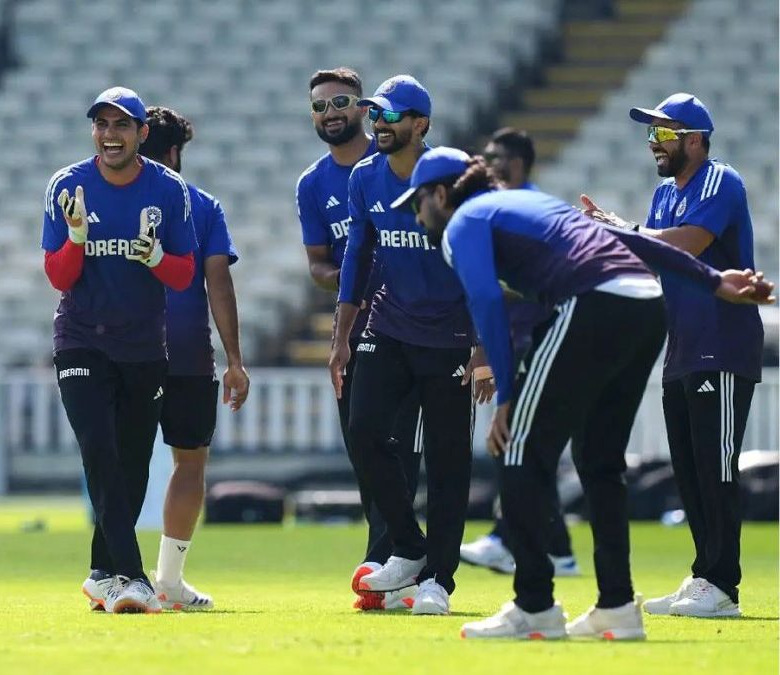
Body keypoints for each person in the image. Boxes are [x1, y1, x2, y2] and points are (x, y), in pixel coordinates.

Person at [395, 148, 772, 639]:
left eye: (417, 203)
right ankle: (616, 606)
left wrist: (507, 397)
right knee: (599, 460)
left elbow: (486, 301)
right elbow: (626, 240)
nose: (416, 216)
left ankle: (534, 605)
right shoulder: (531, 204)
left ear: (441, 194)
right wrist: (715, 279)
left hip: (595, 300)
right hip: (646, 305)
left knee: (518, 448)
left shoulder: (464, 222)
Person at [580, 93, 763, 618]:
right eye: (651, 133)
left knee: (715, 467)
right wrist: (611, 234)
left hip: (722, 344)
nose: (653, 143)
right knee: (689, 471)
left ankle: (722, 584)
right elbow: (653, 259)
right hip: (682, 346)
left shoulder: (720, 180)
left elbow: (686, 245)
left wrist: (624, 230)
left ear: (696, 140)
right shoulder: (664, 194)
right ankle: (705, 575)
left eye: (663, 133)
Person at [329, 75, 494, 616]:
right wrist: (342, 337)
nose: (379, 123)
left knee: (447, 463)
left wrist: (483, 348)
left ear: (421, 124)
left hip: (449, 339)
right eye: (375, 114)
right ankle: (408, 546)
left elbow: (482, 267)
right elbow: (358, 254)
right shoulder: (364, 177)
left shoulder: (455, 179)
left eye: (391, 115)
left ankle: (438, 580)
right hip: (388, 328)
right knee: (364, 433)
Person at [43, 87, 197, 614]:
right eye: (102, 125)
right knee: (99, 450)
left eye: (121, 125)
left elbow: (184, 274)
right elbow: (58, 276)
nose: (110, 135)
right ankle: (132, 576)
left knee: (131, 465)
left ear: (141, 133)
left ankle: (100, 574)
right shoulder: (67, 186)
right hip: (81, 338)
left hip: (142, 346)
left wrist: (155, 258)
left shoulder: (168, 190)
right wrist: (76, 237)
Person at [295, 67, 423, 611]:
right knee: (366, 449)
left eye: (340, 103)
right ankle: (393, 565)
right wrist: (353, 278)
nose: (330, 114)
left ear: (365, 109)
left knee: (403, 450)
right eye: (319, 106)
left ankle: (390, 568)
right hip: (361, 326)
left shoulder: (396, 162)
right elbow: (319, 265)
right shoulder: (312, 184)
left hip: (414, 328)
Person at [137, 105, 248, 611]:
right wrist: (235, 360)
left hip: (125, 349)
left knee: (120, 463)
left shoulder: (110, 202)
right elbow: (218, 284)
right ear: (175, 152)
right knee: (189, 463)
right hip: (187, 353)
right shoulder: (203, 206)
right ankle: (169, 580)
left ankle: (115, 572)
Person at [460, 128, 579, 578]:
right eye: (486, 156)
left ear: (518, 163)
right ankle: (557, 550)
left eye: (497, 157)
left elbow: (512, 285)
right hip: (518, 338)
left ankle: (506, 538)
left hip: (537, 339)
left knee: (518, 442)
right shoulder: (503, 207)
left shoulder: (525, 209)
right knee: (524, 445)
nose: (489, 164)